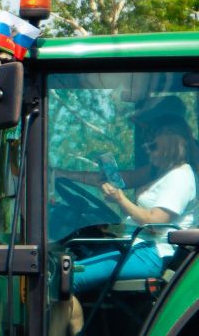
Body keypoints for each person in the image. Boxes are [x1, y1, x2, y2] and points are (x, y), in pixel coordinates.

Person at [75, 122, 197, 295]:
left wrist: (120, 199)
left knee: (71, 278)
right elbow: (120, 181)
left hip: (151, 252)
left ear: (171, 144)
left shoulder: (180, 177)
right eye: (146, 144)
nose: (147, 149)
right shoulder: (159, 171)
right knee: (66, 271)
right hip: (134, 245)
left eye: (153, 145)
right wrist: (61, 174)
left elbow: (155, 223)